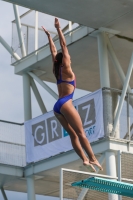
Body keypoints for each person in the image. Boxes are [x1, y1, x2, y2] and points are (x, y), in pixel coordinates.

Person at [42, 18, 103, 172]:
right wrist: (58, 29)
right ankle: (92, 158)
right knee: (81, 132)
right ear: (66, 60)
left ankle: (84, 159)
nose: (69, 57)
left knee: (73, 135)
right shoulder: (67, 68)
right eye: (67, 56)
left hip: (57, 106)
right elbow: (63, 46)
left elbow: (54, 52)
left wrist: (49, 37)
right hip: (66, 102)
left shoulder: (57, 70)